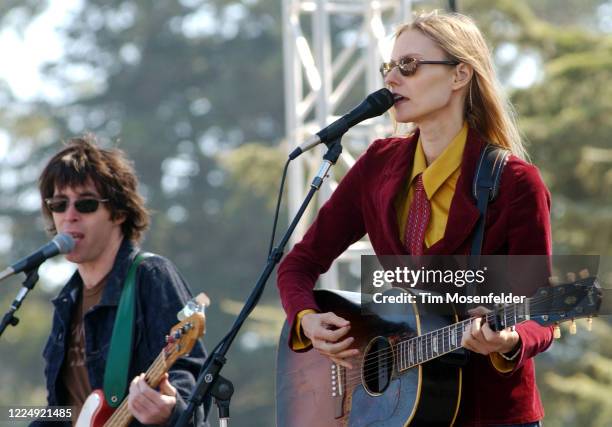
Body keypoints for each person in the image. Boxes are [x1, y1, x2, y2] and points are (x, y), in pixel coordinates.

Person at [277, 11, 552, 427]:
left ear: (460, 74)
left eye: (409, 66)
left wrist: (509, 339)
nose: (391, 79)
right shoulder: (376, 166)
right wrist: (306, 318)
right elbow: (298, 264)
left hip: (491, 414)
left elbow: (540, 311)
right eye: (389, 67)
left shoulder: (514, 183)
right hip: (398, 412)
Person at [35, 135, 207, 426]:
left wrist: (171, 408)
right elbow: (61, 411)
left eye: (86, 204)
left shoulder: (150, 276)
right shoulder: (68, 300)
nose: (69, 215)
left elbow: (189, 380)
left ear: (119, 212)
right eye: (59, 204)